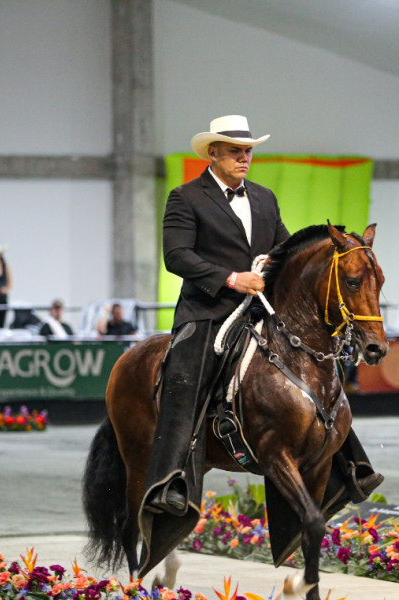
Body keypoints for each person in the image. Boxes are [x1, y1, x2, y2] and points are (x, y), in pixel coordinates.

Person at [142, 114, 382, 519]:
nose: (244, 157)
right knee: (187, 372)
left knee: (318, 369)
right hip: (209, 309)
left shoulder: (264, 197)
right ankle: (171, 478)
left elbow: (284, 250)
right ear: (213, 153)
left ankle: (350, 463)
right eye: (235, 151)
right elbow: (177, 256)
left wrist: (279, 267)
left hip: (260, 307)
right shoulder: (186, 197)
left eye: (248, 151)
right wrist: (232, 278)